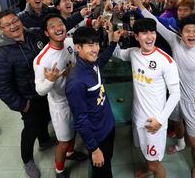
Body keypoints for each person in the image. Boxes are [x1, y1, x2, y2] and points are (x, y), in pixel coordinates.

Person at [137, 0, 195, 178]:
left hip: (194, 102)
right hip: (175, 97)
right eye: (187, 31)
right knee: (176, 123)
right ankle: (179, 143)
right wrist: (140, 5)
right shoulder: (175, 41)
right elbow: (156, 21)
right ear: (181, 32)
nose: (191, 34)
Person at [0, 10, 55, 178]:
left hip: (44, 90)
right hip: (27, 98)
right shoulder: (1, 55)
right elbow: (2, 87)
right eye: (7, 25)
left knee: (45, 117)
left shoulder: (34, 34)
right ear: (1, 29)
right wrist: (21, 104)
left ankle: (45, 141)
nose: (13, 26)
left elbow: (56, 29)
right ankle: (27, 160)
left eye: (15, 21)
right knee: (30, 128)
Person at [112, 19, 180, 178]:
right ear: (136, 36)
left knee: (156, 164)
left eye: (152, 32)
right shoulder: (134, 53)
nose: (149, 37)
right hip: (137, 116)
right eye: (144, 33)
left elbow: (176, 94)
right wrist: (112, 37)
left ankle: (152, 169)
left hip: (154, 122)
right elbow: (116, 53)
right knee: (145, 152)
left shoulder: (166, 61)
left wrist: (161, 120)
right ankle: (148, 168)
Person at [33, 14, 87, 178]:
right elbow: (40, 90)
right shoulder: (41, 60)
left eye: (61, 24)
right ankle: (59, 170)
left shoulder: (70, 42)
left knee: (74, 130)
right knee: (63, 141)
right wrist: (50, 80)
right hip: (60, 104)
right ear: (47, 33)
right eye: (53, 26)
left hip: (76, 98)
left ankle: (71, 153)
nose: (59, 28)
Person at [65, 26, 122, 178]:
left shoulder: (92, 63)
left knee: (107, 162)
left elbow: (102, 59)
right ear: (78, 47)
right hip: (98, 135)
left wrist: (113, 43)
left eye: (96, 44)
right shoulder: (76, 82)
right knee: (101, 172)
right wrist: (94, 149)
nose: (95, 49)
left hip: (108, 125)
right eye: (90, 45)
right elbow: (81, 120)